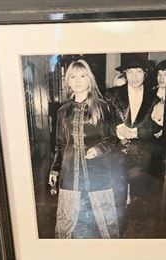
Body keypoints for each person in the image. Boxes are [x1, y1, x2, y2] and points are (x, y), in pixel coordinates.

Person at [48, 59, 120, 239]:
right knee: (66, 225)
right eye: (73, 76)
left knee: (106, 224)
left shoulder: (103, 108)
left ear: (90, 79)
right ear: (68, 81)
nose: (77, 80)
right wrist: (55, 169)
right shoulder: (63, 111)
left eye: (82, 75)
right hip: (70, 176)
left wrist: (98, 150)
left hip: (99, 175)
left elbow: (112, 139)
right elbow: (60, 143)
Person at [105, 54, 161, 202]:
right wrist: (118, 129)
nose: (134, 76)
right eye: (130, 72)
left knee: (140, 203)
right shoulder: (111, 94)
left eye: (139, 71)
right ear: (125, 74)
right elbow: (102, 121)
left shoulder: (154, 97)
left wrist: (138, 133)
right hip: (115, 156)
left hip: (142, 159)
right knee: (116, 201)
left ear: (145, 73)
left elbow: (157, 127)